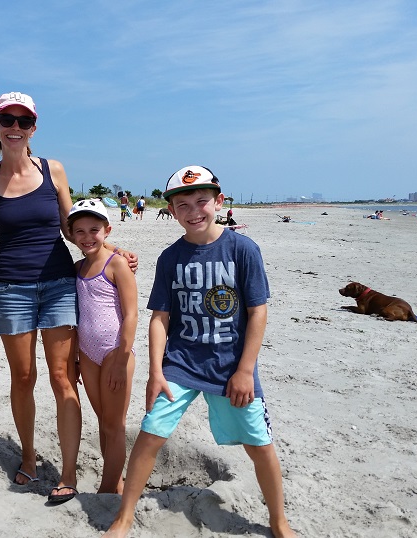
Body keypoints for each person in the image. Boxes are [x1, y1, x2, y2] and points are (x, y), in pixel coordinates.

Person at [0, 92, 136, 504]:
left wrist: (112, 252)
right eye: (7, 120)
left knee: (60, 376)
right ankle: (30, 457)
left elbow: (74, 227)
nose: (15, 128)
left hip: (56, 284)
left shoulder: (53, 170)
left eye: (23, 121)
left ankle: (67, 472)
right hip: (11, 289)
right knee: (23, 378)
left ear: (33, 128)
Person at [104, 165, 296, 538]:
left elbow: (258, 311)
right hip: (181, 363)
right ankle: (124, 517)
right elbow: (160, 318)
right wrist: (156, 371)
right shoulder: (170, 258)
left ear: (218, 202)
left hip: (230, 367)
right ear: (172, 210)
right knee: (150, 433)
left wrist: (245, 370)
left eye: (201, 202)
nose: (194, 211)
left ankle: (279, 521)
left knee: (259, 443)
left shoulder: (242, 249)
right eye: (183, 205)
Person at [67, 199, 136, 494]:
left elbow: (132, 314)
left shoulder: (117, 263)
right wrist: (79, 359)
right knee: (103, 421)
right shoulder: (77, 267)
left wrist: (121, 359)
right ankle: (116, 483)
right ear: (71, 235)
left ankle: (107, 491)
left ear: (107, 230)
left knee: (115, 425)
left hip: (114, 352)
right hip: (88, 354)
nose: (87, 237)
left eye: (94, 229)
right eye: (79, 231)